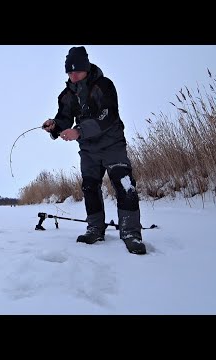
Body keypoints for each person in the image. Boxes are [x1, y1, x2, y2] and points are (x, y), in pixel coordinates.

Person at [42, 46, 146, 255]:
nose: (73, 76)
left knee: (125, 186)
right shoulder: (67, 95)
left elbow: (108, 116)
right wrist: (55, 126)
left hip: (112, 144)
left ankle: (131, 233)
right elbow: (64, 119)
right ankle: (95, 228)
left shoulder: (104, 86)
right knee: (90, 187)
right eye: (69, 73)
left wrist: (79, 131)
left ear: (86, 68)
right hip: (88, 150)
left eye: (77, 71)